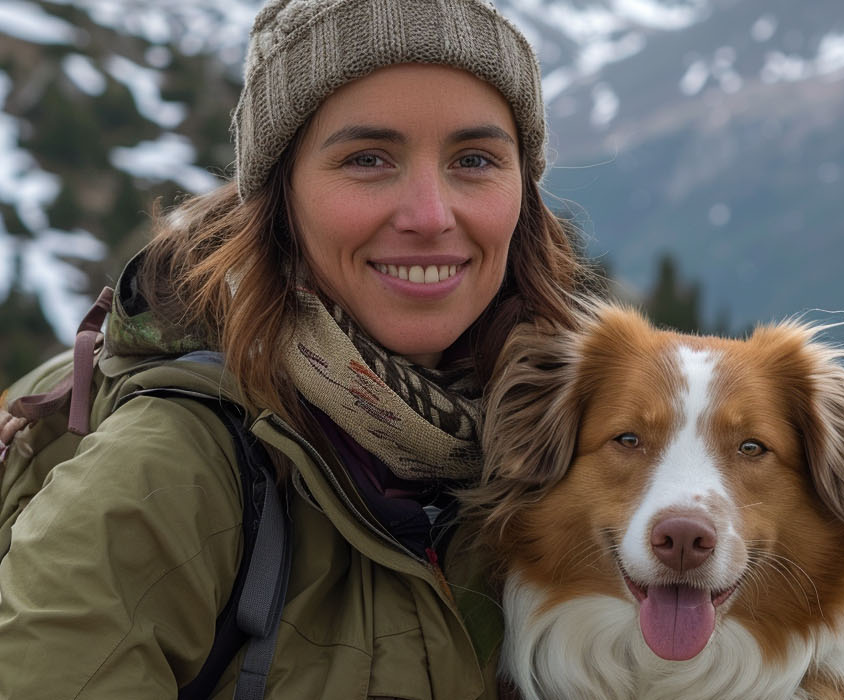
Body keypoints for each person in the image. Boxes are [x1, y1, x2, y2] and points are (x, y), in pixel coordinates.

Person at [0, 0, 595, 696]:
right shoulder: (173, 471)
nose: (432, 215)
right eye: (368, 159)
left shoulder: (575, 454)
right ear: (280, 194)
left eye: (474, 159)